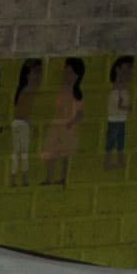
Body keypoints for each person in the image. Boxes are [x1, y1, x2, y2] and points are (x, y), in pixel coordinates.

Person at [44, 57, 84, 188]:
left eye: (70, 72)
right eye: (66, 72)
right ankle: (49, 178)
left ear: (77, 75)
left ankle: (63, 179)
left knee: (65, 155)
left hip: (67, 128)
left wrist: (70, 123)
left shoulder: (76, 94)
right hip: (57, 125)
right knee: (51, 152)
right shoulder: (61, 90)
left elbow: (80, 114)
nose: (67, 75)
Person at [8, 58, 41, 188]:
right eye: (36, 72)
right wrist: (29, 123)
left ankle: (17, 178)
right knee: (22, 154)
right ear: (28, 74)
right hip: (22, 124)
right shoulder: (27, 92)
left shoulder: (26, 91)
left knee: (19, 153)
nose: (39, 76)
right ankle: (21, 178)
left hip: (20, 124)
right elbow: (22, 112)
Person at [104, 54, 134, 169]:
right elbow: (118, 106)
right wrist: (127, 108)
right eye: (127, 70)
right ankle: (108, 162)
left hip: (121, 119)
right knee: (112, 141)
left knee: (120, 142)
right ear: (117, 69)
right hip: (115, 120)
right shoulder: (117, 90)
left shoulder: (123, 89)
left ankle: (120, 161)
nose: (129, 74)